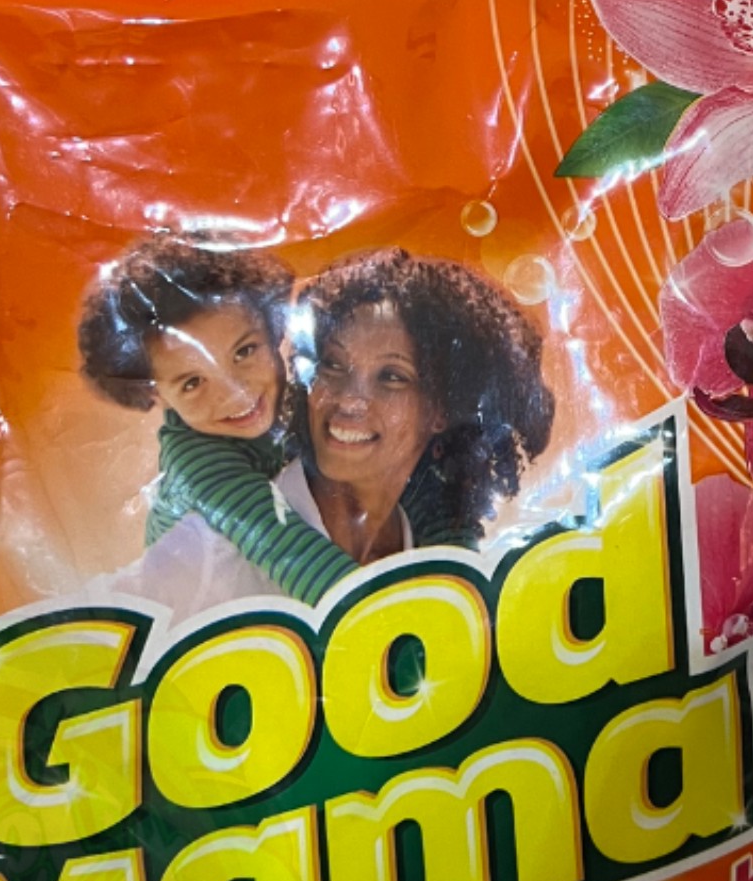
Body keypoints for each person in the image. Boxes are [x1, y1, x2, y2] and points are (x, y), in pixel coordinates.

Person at [88, 243, 554, 619]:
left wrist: (462, 589)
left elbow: (443, 529)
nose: (234, 393)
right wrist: (397, 635)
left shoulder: (292, 408)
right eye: (192, 383)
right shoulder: (203, 473)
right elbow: (290, 552)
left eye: (245, 352)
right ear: (156, 396)